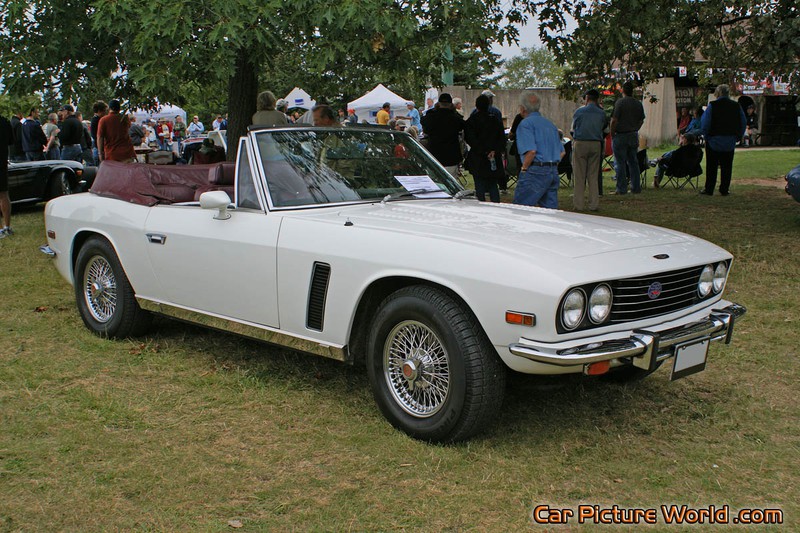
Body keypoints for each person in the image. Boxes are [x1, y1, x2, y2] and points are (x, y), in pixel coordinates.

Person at [512, 91, 564, 209]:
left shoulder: (525, 124)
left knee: (521, 210)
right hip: (552, 170)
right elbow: (562, 152)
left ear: (522, 108)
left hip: (535, 170)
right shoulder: (550, 125)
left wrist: (524, 169)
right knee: (549, 211)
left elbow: (531, 151)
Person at [700, 84, 746, 196]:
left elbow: (706, 123)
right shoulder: (736, 106)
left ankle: (709, 189)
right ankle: (724, 189)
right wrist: (738, 136)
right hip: (730, 140)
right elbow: (743, 122)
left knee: (712, 166)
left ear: (718, 93)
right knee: (727, 166)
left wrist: (706, 136)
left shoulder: (712, 106)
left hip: (714, 140)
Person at [464, 95, 505, 202]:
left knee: (479, 185)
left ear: (476, 106)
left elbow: (470, 139)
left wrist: (482, 150)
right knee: (493, 185)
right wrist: (494, 150)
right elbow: (501, 138)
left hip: (478, 157)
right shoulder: (496, 120)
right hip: (493, 156)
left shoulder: (472, 121)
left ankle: (481, 204)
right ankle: (496, 204)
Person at [570, 88, 606, 211]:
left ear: (586, 98)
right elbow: (605, 130)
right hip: (596, 143)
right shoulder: (601, 113)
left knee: (579, 175)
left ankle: (578, 205)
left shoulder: (579, 112)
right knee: (593, 175)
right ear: (597, 99)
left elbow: (572, 129)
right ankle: (594, 204)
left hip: (580, 143)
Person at [609, 81, 646, 194]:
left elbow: (614, 120)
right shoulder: (638, 103)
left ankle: (621, 188)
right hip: (633, 134)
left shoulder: (620, 103)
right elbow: (641, 120)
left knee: (620, 162)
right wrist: (635, 128)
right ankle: (635, 187)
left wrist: (612, 132)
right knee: (633, 162)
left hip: (620, 135)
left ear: (623, 91)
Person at [420, 93, 464, 178]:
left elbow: (424, 124)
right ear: (451, 104)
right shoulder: (455, 117)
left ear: (438, 103)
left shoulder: (431, 116)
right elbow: (461, 125)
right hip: (451, 156)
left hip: (434, 154)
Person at [0, 114, 13, 238]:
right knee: (3, 194)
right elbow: (11, 141)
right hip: (2, 161)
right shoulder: (4, 121)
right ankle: (7, 226)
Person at [90, 101, 108, 166]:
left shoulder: (95, 120)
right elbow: (96, 135)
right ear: (100, 111)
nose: (106, 113)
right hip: (99, 148)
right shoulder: (97, 120)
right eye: (105, 111)